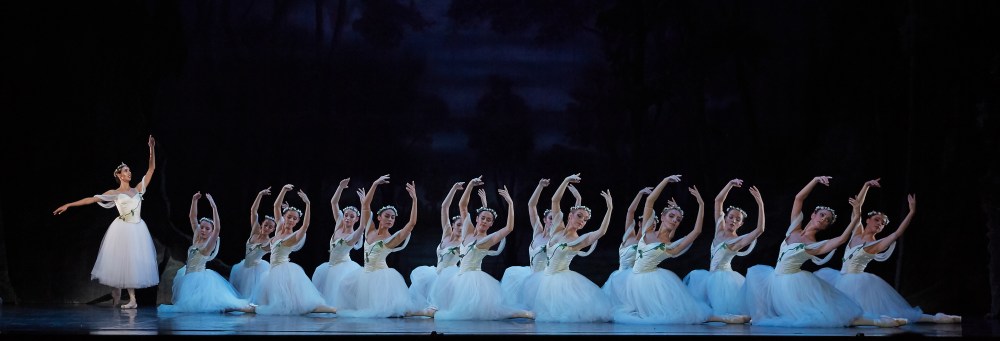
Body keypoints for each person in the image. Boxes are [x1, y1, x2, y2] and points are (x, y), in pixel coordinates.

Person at [743, 176, 902, 328]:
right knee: (754, 277)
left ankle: (877, 322)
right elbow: (799, 198)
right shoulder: (794, 228)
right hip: (774, 279)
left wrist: (856, 218)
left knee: (825, 315)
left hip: (791, 284)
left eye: (827, 220)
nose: (824, 219)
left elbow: (841, 239)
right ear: (813, 215)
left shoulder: (815, 245)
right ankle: (756, 316)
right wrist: (815, 180)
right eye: (822, 215)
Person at [815, 179, 961, 324]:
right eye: (877, 220)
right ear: (868, 220)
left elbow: (897, 233)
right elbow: (857, 209)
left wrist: (911, 213)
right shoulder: (856, 233)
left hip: (856, 283)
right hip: (840, 277)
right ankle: (934, 318)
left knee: (864, 313)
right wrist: (866, 186)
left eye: (883, 223)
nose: (880, 224)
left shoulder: (875, 244)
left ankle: (936, 318)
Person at [613, 175, 748, 324]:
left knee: (674, 312)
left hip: (650, 282)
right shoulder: (648, 230)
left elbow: (696, 231)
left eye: (678, 219)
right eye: (671, 216)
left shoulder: (671, 246)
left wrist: (701, 205)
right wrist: (665, 180)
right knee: (631, 311)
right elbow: (650, 201)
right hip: (632, 278)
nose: (674, 220)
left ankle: (723, 318)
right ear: (662, 217)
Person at [53, 135, 159, 309]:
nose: (129, 173)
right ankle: (120, 294)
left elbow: (151, 169)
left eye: (130, 170)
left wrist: (151, 148)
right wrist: (69, 205)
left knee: (132, 263)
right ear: (119, 175)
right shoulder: (114, 193)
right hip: (123, 229)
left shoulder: (138, 189)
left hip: (138, 228)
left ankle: (132, 299)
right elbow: (91, 199)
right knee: (122, 262)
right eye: (126, 171)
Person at [432, 178, 534, 320]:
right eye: (483, 218)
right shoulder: (467, 231)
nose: (485, 221)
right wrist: (470, 185)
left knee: (487, 313)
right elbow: (462, 205)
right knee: (461, 311)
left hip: (473, 279)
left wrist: (510, 204)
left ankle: (523, 313)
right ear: (477, 219)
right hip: (459, 276)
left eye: (489, 220)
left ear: (491, 224)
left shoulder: (487, 240)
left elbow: (509, 228)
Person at [336, 175, 433, 318]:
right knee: (345, 286)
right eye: (387, 216)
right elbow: (365, 206)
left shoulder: (391, 239)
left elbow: (411, 223)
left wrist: (415, 200)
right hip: (365, 274)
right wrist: (375, 184)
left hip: (381, 277)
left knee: (394, 311)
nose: (390, 219)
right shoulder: (370, 230)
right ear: (379, 217)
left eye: (393, 217)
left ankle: (426, 312)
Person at [532, 173, 614, 322]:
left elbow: (601, 231)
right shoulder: (557, 228)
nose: (582, 221)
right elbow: (555, 200)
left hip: (560, 282)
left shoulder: (578, 240)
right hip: (544, 278)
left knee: (556, 318)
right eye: (580, 216)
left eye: (586, 219)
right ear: (570, 216)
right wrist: (566, 180)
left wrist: (609, 209)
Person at [158, 192, 256, 313]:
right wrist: (194, 200)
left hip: (199, 279)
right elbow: (192, 218)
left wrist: (213, 206)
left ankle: (246, 308)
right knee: (196, 306)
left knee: (214, 305)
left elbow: (217, 229)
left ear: (211, 232)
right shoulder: (196, 238)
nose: (203, 230)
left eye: (207, 228)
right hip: (187, 276)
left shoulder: (208, 245)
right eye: (202, 227)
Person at [249, 184, 337, 315]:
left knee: (298, 305)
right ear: (284, 217)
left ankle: (334, 310)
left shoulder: (293, 236)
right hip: (272, 271)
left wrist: (308, 204)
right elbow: (276, 206)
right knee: (278, 304)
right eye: (289, 217)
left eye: (294, 219)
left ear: (297, 221)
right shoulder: (279, 228)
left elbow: (306, 225)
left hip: (283, 271)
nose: (291, 220)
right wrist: (283, 190)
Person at [682, 179, 766, 316]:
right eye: (731, 217)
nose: (733, 220)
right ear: (725, 218)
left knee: (724, 313)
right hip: (710, 276)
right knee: (701, 311)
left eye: (737, 220)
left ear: (740, 224)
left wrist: (760, 204)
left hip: (724, 279)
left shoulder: (737, 241)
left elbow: (760, 230)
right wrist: (730, 184)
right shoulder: (719, 230)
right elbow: (718, 201)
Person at [499, 178, 581, 310]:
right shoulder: (537, 231)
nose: (553, 221)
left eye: (555, 219)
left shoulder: (557, 237)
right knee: (511, 277)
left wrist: (578, 200)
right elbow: (531, 205)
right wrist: (540, 186)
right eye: (550, 218)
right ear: (544, 220)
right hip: (529, 275)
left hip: (545, 280)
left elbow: (573, 222)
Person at [408, 182, 486, 311]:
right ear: (452, 225)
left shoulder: (463, 242)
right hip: (435, 275)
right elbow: (444, 207)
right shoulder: (446, 234)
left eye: (463, 226)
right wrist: (454, 188)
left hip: (449, 279)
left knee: (438, 308)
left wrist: (484, 205)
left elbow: (480, 228)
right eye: (459, 225)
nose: (461, 228)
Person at [312, 178, 367, 307]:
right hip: (330, 266)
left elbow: (363, 226)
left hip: (343, 267)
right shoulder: (338, 224)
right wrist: (340, 187)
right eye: (346, 215)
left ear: (356, 219)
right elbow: (334, 202)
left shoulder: (353, 236)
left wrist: (364, 204)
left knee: (339, 298)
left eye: (351, 216)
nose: (347, 218)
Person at [601, 186, 653, 309]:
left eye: (652, 225)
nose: (649, 226)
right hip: (619, 278)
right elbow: (630, 211)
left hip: (636, 280)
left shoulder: (648, 242)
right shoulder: (629, 235)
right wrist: (640, 193)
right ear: (640, 223)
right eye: (646, 223)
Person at [229, 186, 277, 299]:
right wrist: (260, 194)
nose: (267, 228)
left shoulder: (269, 241)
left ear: (273, 230)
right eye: (266, 225)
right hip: (243, 267)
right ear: (262, 224)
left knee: (249, 296)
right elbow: (253, 211)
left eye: (270, 227)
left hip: (256, 271)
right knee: (237, 294)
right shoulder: (255, 231)